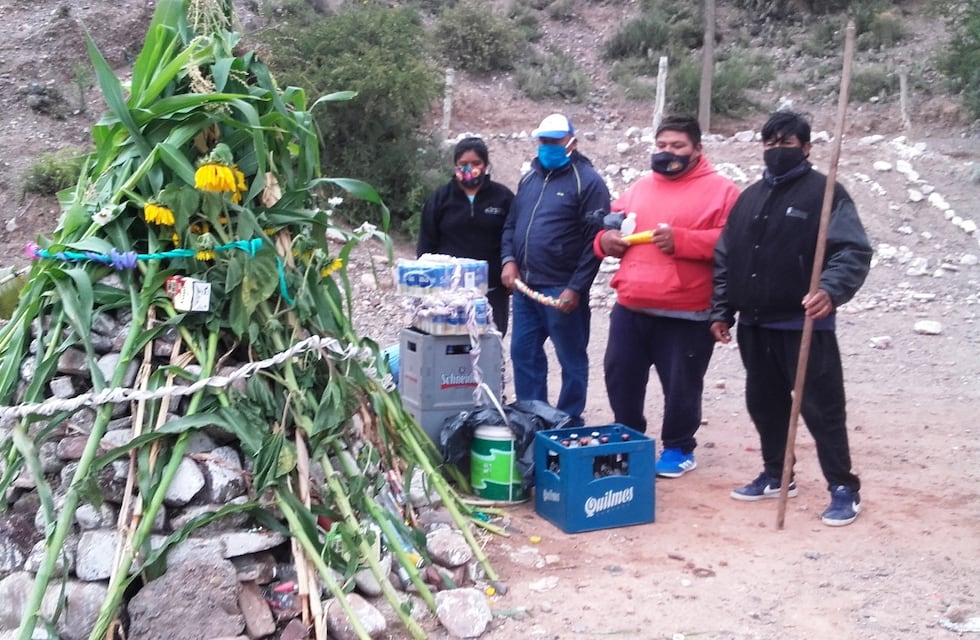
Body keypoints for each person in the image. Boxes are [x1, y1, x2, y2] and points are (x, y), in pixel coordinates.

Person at [709, 110, 872, 527]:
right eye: (770, 143)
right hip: (755, 323)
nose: (776, 150)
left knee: (821, 409)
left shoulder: (827, 193)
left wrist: (830, 290)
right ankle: (777, 475)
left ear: (806, 148)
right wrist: (722, 309)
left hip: (804, 324)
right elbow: (726, 257)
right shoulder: (749, 197)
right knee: (764, 404)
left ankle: (843, 487)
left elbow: (851, 251)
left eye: (786, 143)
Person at [594, 115, 740, 478]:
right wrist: (604, 241)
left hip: (687, 311)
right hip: (631, 306)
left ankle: (678, 447)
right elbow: (611, 225)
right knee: (620, 375)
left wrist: (684, 240)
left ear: (697, 149)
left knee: (681, 386)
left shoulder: (723, 191)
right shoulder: (640, 188)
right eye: (661, 145)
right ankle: (628, 440)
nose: (667, 152)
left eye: (677, 146)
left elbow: (735, 242)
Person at [501, 113, 610, 424]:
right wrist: (508, 260)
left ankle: (568, 421)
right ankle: (533, 417)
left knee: (571, 358)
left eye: (554, 141)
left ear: (571, 142)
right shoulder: (529, 179)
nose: (548, 146)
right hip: (525, 289)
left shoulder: (588, 182)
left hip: (561, 289)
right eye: (543, 141)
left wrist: (576, 288)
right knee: (524, 354)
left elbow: (595, 243)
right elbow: (511, 225)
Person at [417, 137, 515, 335]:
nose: (469, 168)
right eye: (463, 164)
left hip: (492, 291)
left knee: (491, 343)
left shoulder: (503, 197)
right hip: (448, 295)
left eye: (476, 163)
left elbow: (514, 236)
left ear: (485, 165)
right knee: (450, 346)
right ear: (455, 165)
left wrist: (512, 267)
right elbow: (426, 244)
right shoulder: (440, 198)